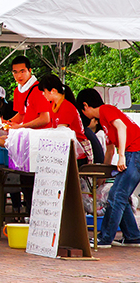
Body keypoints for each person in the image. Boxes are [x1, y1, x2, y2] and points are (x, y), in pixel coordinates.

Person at [77, 88, 140, 248]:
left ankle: (105, 238)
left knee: (116, 196)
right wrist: (102, 174)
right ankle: (133, 236)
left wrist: (122, 156)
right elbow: (110, 148)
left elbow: (122, 128)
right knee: (120, 196)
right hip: (132, 153)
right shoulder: (104, 122)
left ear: (85, 106)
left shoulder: (106, 110)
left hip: (134, 152)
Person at [6, 56, 50, 212]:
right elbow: (21, 114)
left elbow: (45, 118)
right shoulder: (18, 90)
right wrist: (7, 123)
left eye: (22, 71)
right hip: (26, 143)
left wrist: (21, 126)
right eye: (15, 72)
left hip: (41, 143)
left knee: (34, 182)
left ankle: (35, 214)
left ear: (30, 71)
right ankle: (29, 213)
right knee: (25, 180)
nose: (19, 75)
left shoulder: (38, 89)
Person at [37, 74, 90, 164]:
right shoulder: (53, 105)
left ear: (53, 91)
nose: (43, 94)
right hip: (65, 150)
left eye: (44, 91)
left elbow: (61, 132)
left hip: (77, 152)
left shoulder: (67, 107)